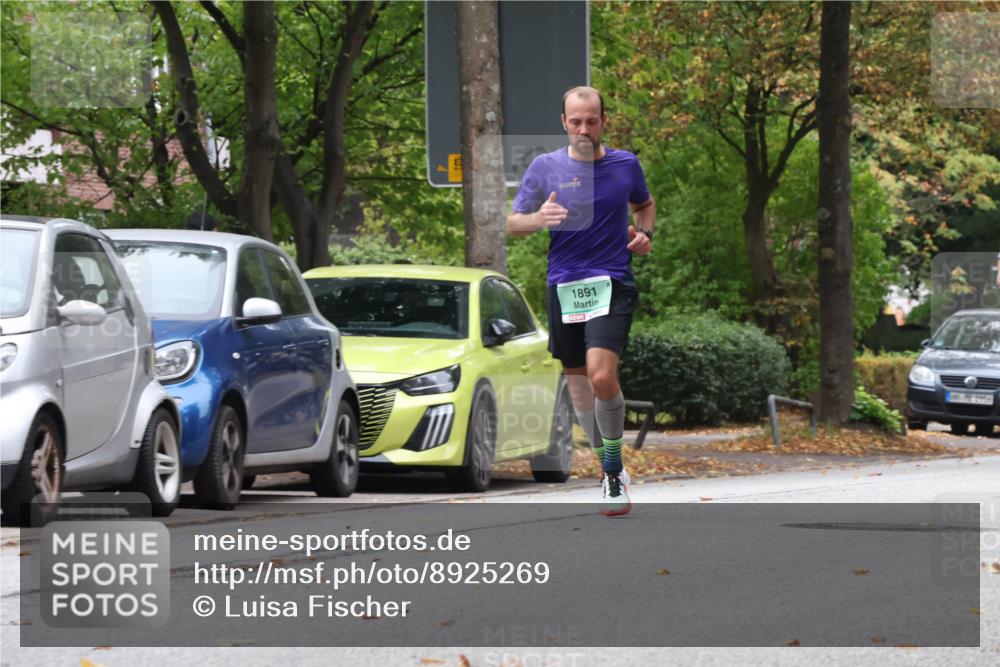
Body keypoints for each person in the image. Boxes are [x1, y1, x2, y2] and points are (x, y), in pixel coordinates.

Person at [507, 86, 655, 516]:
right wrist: (539, 218)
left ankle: (611, 473)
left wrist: (645, 234)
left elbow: (644, 205)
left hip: (612, 281)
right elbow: (514, 223)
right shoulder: (544, 167)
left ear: (604, 120)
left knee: (601, 376)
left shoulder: (626, 164)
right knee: (579, 391)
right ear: (564, 123)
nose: (584, 129)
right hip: (564, 286)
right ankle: (610, 465)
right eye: (576, 121)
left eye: (592, 120)